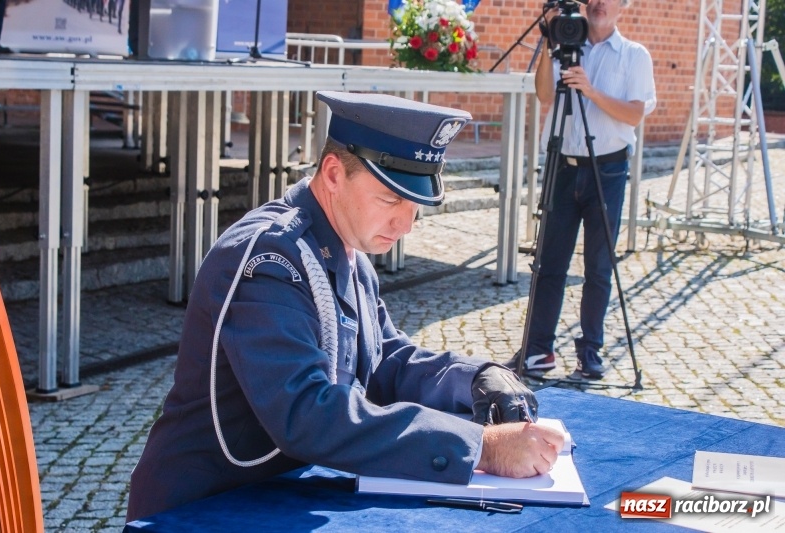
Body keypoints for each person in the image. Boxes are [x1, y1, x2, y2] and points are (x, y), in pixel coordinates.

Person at [126, 91, 564, 521]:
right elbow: (308, 413)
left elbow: (384, 362)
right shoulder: (272, 259)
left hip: (275, 499)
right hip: (202, 508)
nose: (405, 223)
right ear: (334, 174)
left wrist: (475, 379)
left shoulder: (341, 244)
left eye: (416, 205)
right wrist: (481, 446)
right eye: (391, 200)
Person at [508, 0, 656, 379]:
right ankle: (538, 349)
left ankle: (590, 351)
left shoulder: (634, 55)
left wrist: (588, 90)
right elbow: (544, 95)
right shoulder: (566, 42)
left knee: (599, 267)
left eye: (609, 0)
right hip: (563, 166)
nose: (599, 4)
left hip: (606, 168)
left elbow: (634, 114)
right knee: (548, 263)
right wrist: (547, 40)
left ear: (624, 6)